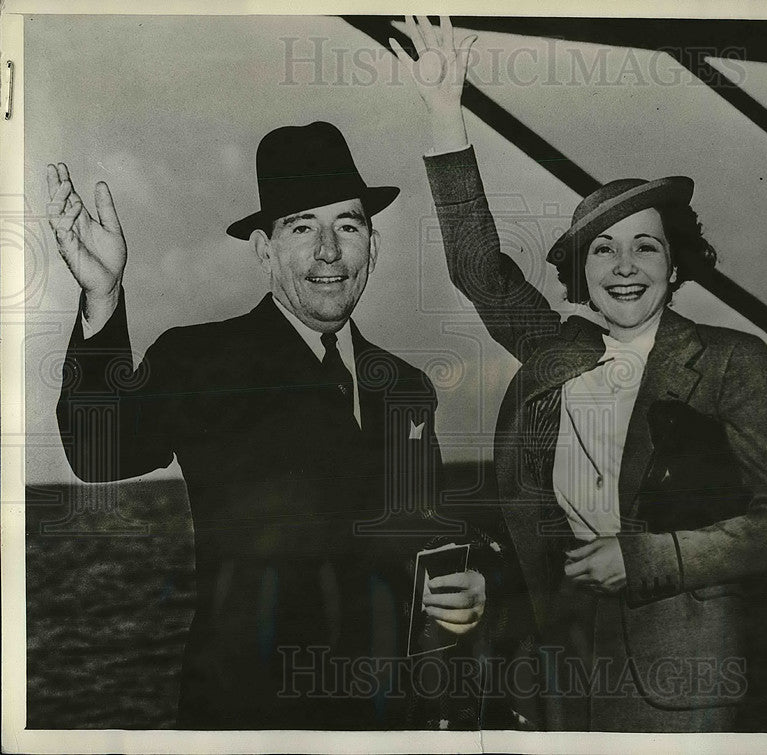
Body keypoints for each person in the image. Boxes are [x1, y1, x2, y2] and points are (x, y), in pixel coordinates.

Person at [392, 16, 767, 731]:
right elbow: (476, 267)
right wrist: (443, 112)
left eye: (645, 247)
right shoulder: (556, 350)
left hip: (678, 670)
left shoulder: (731, 361)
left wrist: (648, 556)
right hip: (557, 664)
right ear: (580, 274)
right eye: (603, 250)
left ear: (675, 265)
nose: (624, 267)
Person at [46, 121, 487, 730]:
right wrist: (103, 297)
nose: (329, 251)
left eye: (349, 226)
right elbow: (98, 455)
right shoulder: (201, 360)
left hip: (389, 722)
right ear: (264, 251)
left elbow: (426, 537)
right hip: (248, 721)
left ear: (373, 247)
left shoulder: (406, 386)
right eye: (302, 227)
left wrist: (471, 587)